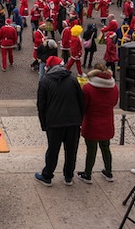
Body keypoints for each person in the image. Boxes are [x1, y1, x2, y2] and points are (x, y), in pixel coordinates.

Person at [34, 55, 84, 186]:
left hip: (54, 121)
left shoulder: (44, 81)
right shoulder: (73, 80)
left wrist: (44, 124)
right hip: (73, 121)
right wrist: (80, 119)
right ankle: (68, 176)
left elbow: (41, 105)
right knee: (71, 150)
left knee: (53, 150)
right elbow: (81, 101)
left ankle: (47, 175)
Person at [77, 63, 118, 183]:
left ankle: (87, 174)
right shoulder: (114, 87)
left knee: (91, 150)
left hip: (91, 122)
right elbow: (114, 102)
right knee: (106, 148)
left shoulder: (88, 88)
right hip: (107, 122)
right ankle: (109, 172)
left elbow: (83, 106)